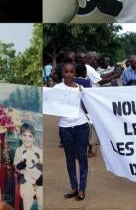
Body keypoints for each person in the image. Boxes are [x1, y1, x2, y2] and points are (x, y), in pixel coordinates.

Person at [54, 62, 89, 201]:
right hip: (65, 128)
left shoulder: (81, 88)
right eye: (66, 71)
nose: (69, 74)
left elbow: (88, 104)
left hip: (81, 126)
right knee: (70, 159)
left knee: (82, 157)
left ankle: (82, 188)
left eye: (71, 71)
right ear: (62, 73)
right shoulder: (56, 88)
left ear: (75, 73)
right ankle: (74, 187)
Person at [14, 123, 43, 210]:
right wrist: (23, 171)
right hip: (25, 179)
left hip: (38, 179)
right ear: (20, 136)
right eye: (24, 135)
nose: (27, 138)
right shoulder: (19, 150)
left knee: (41, 195)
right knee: (27, 196)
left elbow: (42, 166)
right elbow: (16, 167)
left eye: (30, 136)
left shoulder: (38, 151)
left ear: (33, 138)